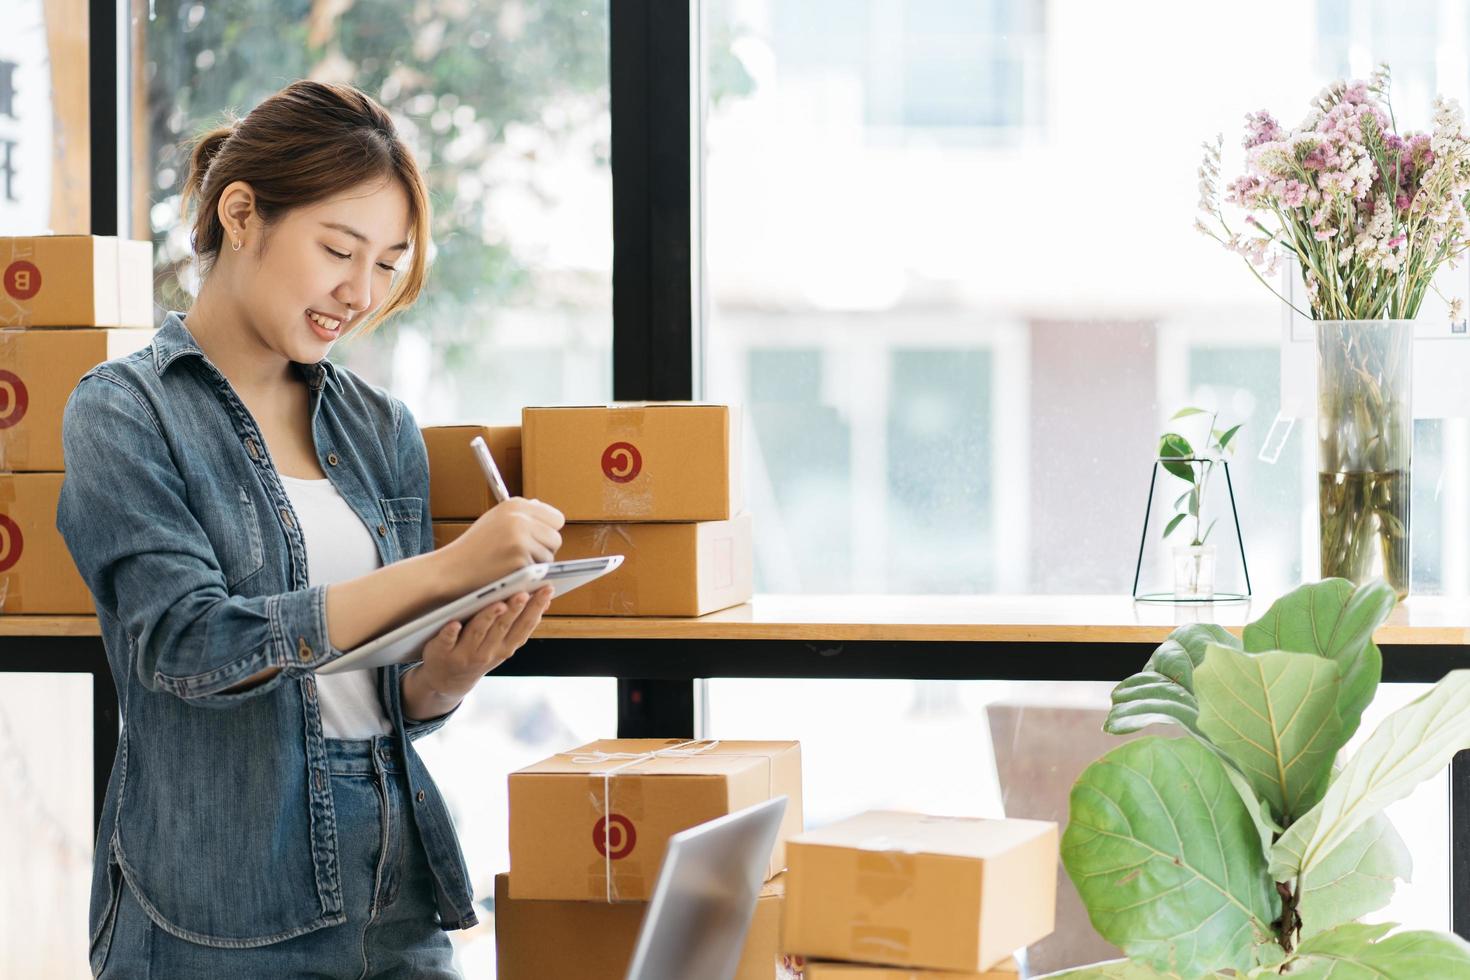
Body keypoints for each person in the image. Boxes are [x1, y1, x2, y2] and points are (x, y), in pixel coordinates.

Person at [56, 80, 565, 978]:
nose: (360, 292)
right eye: (339, 249)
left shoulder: (379, 428)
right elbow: (189, 647)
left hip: (396, 895)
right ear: (241, 213)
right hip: (215, 911)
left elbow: (374, 695)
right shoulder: (124, 412)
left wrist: (442, 681)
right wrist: (447, 567)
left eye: (387, 263)